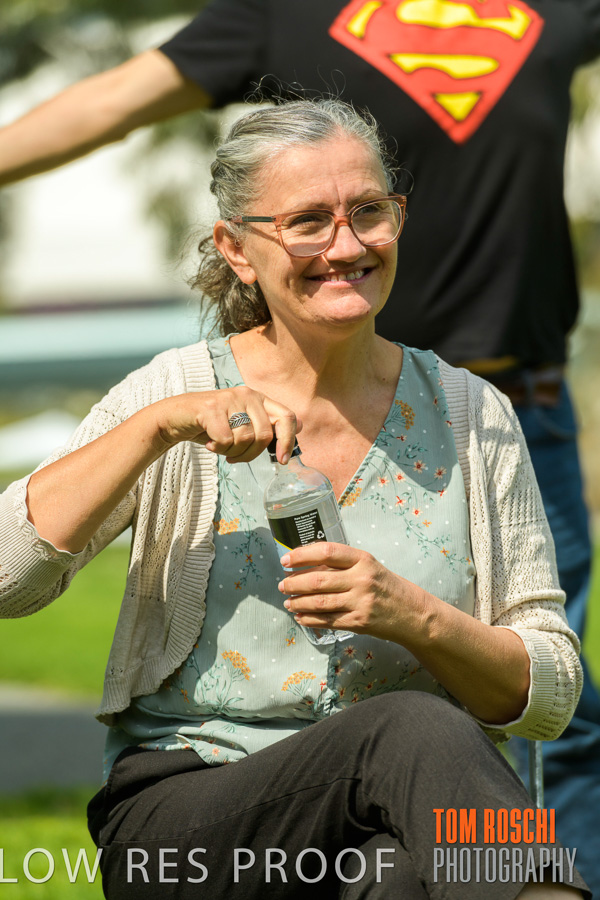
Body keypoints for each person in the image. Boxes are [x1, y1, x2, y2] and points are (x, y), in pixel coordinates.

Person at [3, 3, 600, 893]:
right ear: (237, 249)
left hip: (392, 811)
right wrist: (155, 431)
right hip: (191, 823)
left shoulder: (474, 413)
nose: (346, 246)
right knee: (414, 729)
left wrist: (413, 616)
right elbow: (6, 580)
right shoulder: (174, 393)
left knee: (397, 871)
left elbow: (549, 696)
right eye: (308, 222)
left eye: (369, 212)